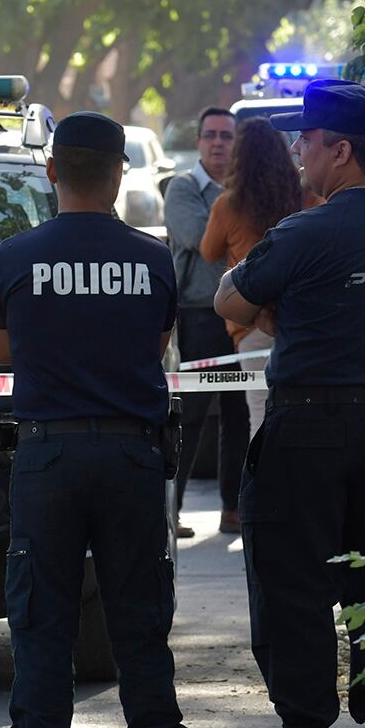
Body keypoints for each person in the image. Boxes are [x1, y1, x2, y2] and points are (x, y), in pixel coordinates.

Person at [212, 79, 365, 728]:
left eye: (307, 141)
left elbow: (228, 302)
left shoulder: (307, 231)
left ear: (339, 151)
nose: (297, 152)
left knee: (292, 597)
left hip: (306, 429)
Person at [0, 111, 189, 728]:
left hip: (49, 456)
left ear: (51, 172)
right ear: (120, 174)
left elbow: (4, 350)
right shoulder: (153, 257)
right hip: (131, 456)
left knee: (42, 621)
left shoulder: (14, 256)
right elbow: (159, 339)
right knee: (140, 620)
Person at [164, 106, 249, 537]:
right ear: (198, 142)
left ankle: (232, 508)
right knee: (192, 414)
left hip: (244, 316)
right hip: (198, 315)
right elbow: (205, 243)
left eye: (226, 136)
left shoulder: (245, 190)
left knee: (239, 415)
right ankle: (170, 510)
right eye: (211, 135)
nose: (218, 143)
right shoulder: (182, 189)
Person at [199, 117, 311, 437]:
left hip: (248, 322)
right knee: (305, 408)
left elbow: (208, 251)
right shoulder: (305, 196)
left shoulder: (228, 204)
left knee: (260, 413)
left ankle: (264, 485)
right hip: (301, 319)